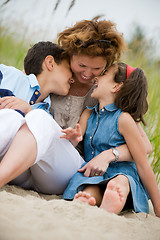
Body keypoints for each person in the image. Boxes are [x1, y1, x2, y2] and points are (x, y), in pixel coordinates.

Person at [0, 20, 151, 195]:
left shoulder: (102, 93)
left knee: (38, 118)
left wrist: (109, 155)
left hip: (63, 165)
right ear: (70, 56)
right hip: (27, 160)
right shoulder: (56, 80)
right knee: (17, 118)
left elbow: (144, 146)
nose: (87, 74)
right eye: (81, 65)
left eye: (97, 68)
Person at [61, 63, 160, 217]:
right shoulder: (88, 114)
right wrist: (74, 138)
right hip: (95, 176)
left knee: (120, 181)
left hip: (122, 174)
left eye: (103, 74)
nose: (97, 77)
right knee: (90, 190)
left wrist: (158, 207)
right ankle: (92, 200)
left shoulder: (124, 119)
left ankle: (114, 199)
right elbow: (77, 137)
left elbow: (143, 164)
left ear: (116, 87)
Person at [0, 41, 73, 114]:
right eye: (70, 69)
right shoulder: (10, 75)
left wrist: (29, 112)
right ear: (50, 63)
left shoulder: (46, 114)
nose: (73, 79)